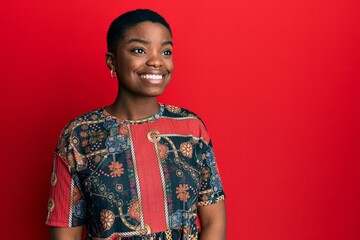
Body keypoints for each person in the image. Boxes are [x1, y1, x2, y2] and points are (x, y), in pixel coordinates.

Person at [46, 9, 226, 240]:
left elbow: (214, 221)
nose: (156, 61)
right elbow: (65, 231)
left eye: (166, 51)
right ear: (112, 61)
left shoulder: (191, 129)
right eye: (139, 50)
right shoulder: (79, 135)